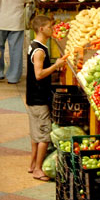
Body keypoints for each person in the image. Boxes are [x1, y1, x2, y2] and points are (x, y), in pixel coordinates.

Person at [27, 15, 66, 180]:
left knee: (36, 133)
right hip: (39, 98)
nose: (53, 29)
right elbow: (39, 74)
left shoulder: (33, 45)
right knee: (44, 135)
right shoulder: (40, 51)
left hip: (32, 97)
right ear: (41, 29)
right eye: (50, 26)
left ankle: (32, 164)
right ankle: (37, 169)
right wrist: (56, 66)